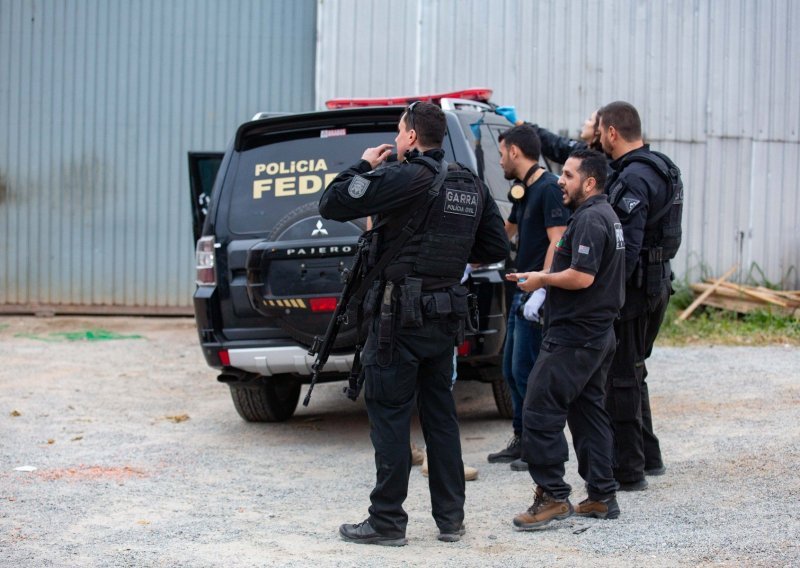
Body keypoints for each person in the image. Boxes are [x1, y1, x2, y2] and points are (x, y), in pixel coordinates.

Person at [319, 101, 508, 546]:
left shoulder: (403, 176)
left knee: (389, 415)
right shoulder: (470, 184)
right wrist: (442, 264)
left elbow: (331, 202)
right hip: (444, 317)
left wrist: (363, 164)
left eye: (399, 131)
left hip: (396, 321)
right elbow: (495, 246)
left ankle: (386, 521)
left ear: (408, 136)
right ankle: (450, 520)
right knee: (441, 417)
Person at [507, 148, 625, 530]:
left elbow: (582, 277)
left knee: (539, 407)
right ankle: (602, 495)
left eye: (569, 175)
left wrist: (542, 280)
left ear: (589, 182)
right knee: (588, 412)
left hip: (577, 335)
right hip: (595, 333)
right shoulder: (603, 214)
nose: (561, 180)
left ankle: (553, 495)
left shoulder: (591, 218)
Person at [596, 101, 683, 490]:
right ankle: (649, 456)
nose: (598, 138)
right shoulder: (663, 167)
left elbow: (626, 249)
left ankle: (628, 470)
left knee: (622, 378)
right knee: (634, 371)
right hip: (659, 281)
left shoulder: (632, 178)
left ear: (613, 132)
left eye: (600, 131)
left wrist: (607, 297)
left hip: (635, 290)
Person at [487, 125, 569, 471]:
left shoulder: (549, 188)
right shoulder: (523, 189)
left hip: (535, 294)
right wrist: (468, 258)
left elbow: (559, 239)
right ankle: (522, 438)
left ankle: (536, 445)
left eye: (502, 152)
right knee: (509, 368)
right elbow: (504, 235)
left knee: (527, 372)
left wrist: (544, 287)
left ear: (516, 152)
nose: (500, 158)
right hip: (521, 290)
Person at [530, 109, 603, 165]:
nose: (585, 122)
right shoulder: (583, 150)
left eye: (590, 119)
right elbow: (556, 144)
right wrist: (527, 126)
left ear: (598, 129)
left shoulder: (600, 163)